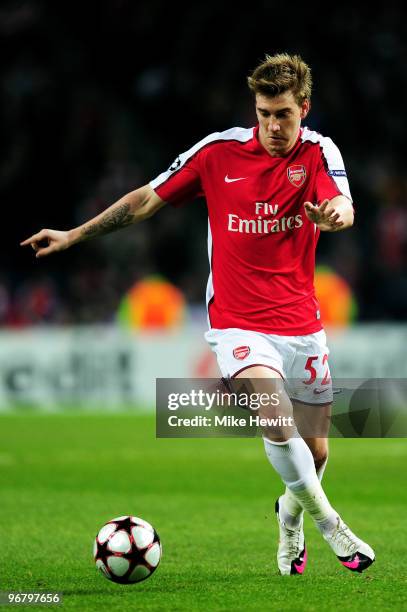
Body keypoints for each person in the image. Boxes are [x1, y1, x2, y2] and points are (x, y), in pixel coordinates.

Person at [21, 53, 374, 575]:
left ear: (305, 108)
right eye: (263, 114)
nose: (273, 126)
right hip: (237, 320)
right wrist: (75, 234)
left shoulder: (320, 153)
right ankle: (332, 527)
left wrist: (334, 217)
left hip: (301, 323)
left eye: (284, 115)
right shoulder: (217, 152)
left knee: (316, 453)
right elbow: (145, 201)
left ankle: (290, 516)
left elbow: (343, 204)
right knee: (275, 421)